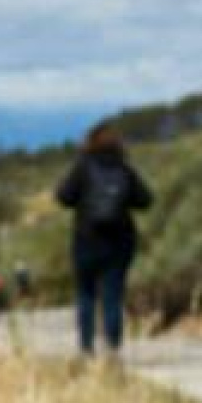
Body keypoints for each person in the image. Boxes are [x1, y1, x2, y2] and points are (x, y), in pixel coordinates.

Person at [54, 122, 153, 357]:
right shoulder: (124, 169)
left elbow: (63, 196)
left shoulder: (82, 167)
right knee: (113, 295)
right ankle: (113, 347)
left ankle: (86, 348)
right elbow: (146, 200)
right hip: (118, 242)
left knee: (85, 294)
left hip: (86, 240)